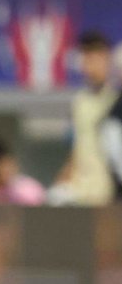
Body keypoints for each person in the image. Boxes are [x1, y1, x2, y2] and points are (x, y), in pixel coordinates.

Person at [50, 31, 118, 207]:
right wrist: (64, 176)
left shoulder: (116, 100)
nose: (90, 66)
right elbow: (78, 144)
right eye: (86, 59)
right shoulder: (80, 101)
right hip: (81, 189)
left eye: (95, 58)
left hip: (110, 191)